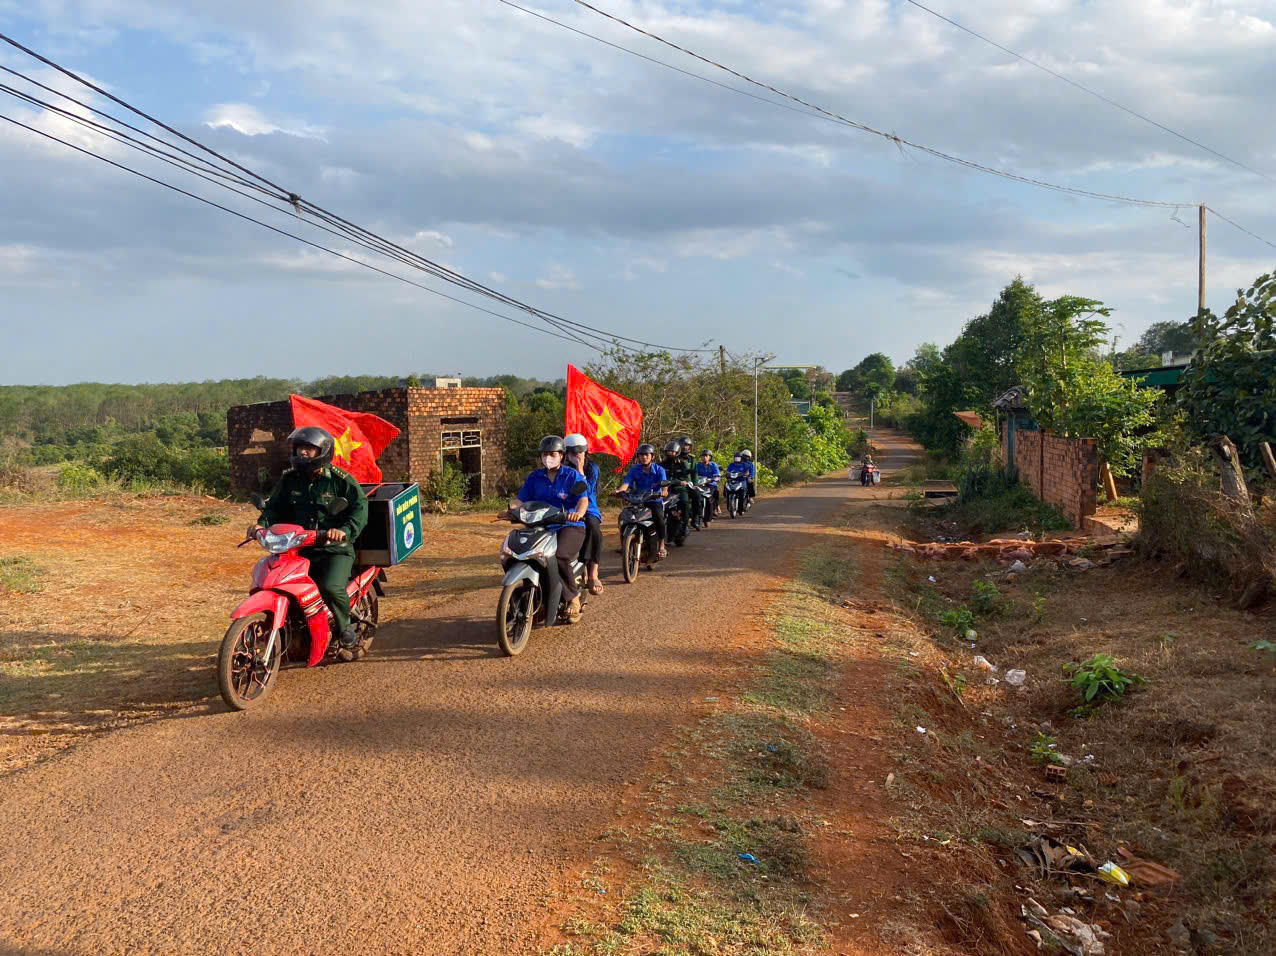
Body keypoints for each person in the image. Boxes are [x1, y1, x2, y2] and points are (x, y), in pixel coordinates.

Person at [252, 426, 369, 661]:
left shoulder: (339, 480)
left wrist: (344, 531)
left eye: (309, 449)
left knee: (329, 586)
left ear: (323, 451)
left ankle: (345, 628)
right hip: (298, 547)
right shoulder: (289, 480)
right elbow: (274, 507)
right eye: (299, 448)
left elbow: (360, 508)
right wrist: (260, 525)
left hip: (333, 549)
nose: (302, 453)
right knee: (274, 580)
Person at [510, 436, 589, 624]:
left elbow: (583, 500)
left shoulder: (572, 476)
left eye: (552, 454)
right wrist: (512, 509)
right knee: (520, 552)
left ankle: (573, 598)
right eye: (544, 454)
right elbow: (520, 499)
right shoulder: (535, 477)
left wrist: (577, 513)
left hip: (569, 526)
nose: (547, 458)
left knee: (559, 555)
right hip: (541, 525)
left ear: (561, 455)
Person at [564, 433, 604, 595]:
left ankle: (593, 572)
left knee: (593, 530)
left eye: (579, 452)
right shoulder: (562, 468)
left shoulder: (592, 468)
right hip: (566, 508)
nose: (576, 456)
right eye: (572, 453)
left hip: (588, 508)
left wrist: (580, 470)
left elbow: (587, 491)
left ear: (585, 452)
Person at [617, 442, 669, 559]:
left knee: (660, 520)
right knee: (623, 517)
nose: (644, 457)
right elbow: (626, 483)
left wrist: (663, 492)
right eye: (641, 455)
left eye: (646, 454)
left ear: (652, 456)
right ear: (638, 457)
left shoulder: (659, 470)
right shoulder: (634, 469)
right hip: (638, 500)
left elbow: (664, 486)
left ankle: (661, 546)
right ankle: (624, 544)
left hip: (654, 501)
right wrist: (619, 491)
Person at [661, 439, 696, 533]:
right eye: (668, 451)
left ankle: (685, 524)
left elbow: (686, 477)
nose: (670, 453)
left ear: (677, 452)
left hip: (679, 489)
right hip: (664, 489)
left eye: (673, 452)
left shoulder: (682, 464)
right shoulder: (661, 465)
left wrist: (682, 482)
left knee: (684, 502)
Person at [696, 449, 721, 524]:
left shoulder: (713, 465)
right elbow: (694, 474)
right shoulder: (698, 465)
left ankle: (709, 518)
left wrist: (715, 478)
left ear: (710, 457)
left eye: (706, 456)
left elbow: (717, 474)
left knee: (710, 499)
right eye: (702, 456)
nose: (704, 457)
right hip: (700, 485)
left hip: (711, 485)